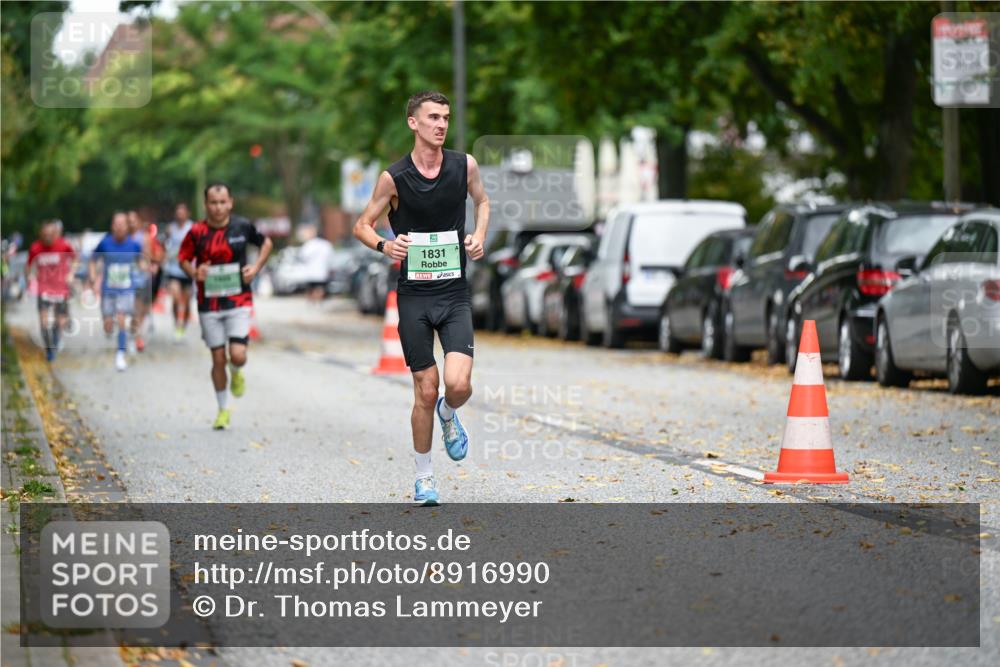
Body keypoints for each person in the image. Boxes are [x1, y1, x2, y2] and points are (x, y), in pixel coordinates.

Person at [353, 91, 489, 506]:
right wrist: (384, 246)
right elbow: (362, 224)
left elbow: (482, 202)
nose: (441, 124)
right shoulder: (393, 178)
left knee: (458, 385)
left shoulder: (464, 165)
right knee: (425, 390)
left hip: (453, 293)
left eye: (446, 117)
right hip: (413, 297)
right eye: (433, 117)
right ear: (413, 122)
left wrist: (478, 236)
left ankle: (451, 414)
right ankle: (424, 478)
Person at [178, 183, 273, 430]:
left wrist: (256, 267)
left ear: (230, 202)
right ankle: (222, 410)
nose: (218, 207)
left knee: (238, 355)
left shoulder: (242, 226)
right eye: (213, 202)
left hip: (238, 299)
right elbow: (183, 259)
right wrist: (194, 271)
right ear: (206, 204)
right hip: (209, 304)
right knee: (217, 358)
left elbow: (266, 243)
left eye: (223, 202)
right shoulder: (197, 232)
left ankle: (237, 369)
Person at [90, 212, 143, 372]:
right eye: (116, 224)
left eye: (123, 224)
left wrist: (145, 269)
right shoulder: (105, 243)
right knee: (108, 325)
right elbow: (93, 259)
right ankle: (109, 328)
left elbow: (141, 262)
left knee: (121, 318)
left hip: (126, 290)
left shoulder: (134, 245)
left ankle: (120, 354)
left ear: (127, 227)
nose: (119, 227)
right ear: (112, 226)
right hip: (108, 290)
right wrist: (93, 277)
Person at [27, 220, 76, 362]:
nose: (48, 237)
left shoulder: (63, 245)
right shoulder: (35, 248)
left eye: (50, 234)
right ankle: (49, 348)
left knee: (59, 320)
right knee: (43, 322)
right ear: (41, 234)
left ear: (55, 234)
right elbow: (29, 265)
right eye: (45, 234)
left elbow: (75, 259)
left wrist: (71, 273)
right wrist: (30, 276)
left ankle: (55, 340)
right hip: (44, 288)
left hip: (61, 288)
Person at [164, 203, 195, 340]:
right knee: (176, 298)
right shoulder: (170, 228)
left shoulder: (193, 228)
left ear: (187, 214)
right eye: (178, 212)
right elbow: (165, 245)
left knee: (187, 302)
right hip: (173, 269)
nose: (180, 215)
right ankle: (177, 323)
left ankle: (184, 325)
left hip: (188, 270)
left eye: (183, 212)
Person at [298, 227, 335, 304]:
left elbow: (302, 256)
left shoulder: (309, 244)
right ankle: (318, 300)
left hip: (310, 272)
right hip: (322, 271)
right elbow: (330, 257)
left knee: (311, 288)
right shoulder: (326, 244)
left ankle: (312, 301)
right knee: (320, 288)